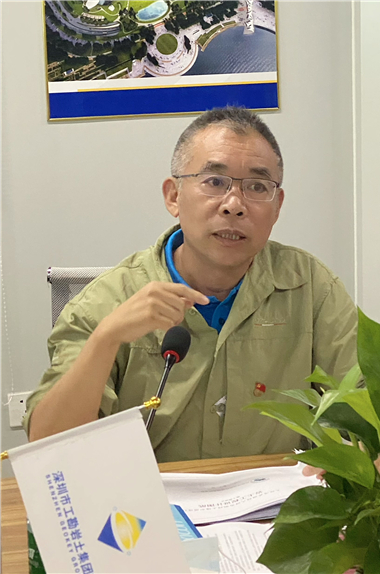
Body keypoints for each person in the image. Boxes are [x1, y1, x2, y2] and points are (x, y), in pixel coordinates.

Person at [24, 106, 358, 462]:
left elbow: (369, 412)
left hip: (277, 496)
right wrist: (106, 340)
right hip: (149, 497)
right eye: (214, 182)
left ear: (277, 207)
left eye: (257, 187)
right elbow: (49, 450)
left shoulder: (311, 288)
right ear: (174, 196)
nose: (234, 205)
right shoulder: (108, 301)